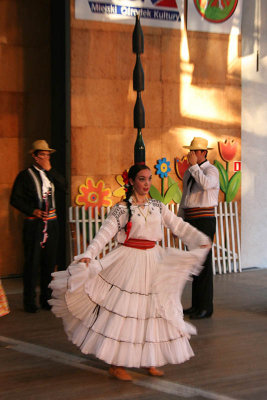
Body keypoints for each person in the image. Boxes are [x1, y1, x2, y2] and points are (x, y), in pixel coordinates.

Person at [49, 164, 210, 381]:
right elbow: (105, 233)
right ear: (132, 181)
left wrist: (200, 240)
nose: (147, 183)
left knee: (153, 310)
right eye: (142, 179)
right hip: (129, 260)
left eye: (149, 179)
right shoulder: (122, 209)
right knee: (125, 312)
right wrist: (89, 253)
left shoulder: (157, 206)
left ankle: (149, 360)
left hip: (154, 259)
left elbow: (178, 226)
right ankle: (117, 364)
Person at [10, 140, 66, 313]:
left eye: (47, 154)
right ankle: (29, 301)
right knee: (32, 262)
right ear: (34, 156)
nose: (45, 157)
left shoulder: (51, 174)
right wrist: (32, 210)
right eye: (42, 154)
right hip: (34, 225)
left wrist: (49, 169)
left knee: (49, 263)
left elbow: (64, 187)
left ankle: (46, 298)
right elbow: (15, 199)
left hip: (52, 223)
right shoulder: (25, 175)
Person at [178, 137, 219, 320]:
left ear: (204, 153)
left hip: (204, 219)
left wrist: (194, 167)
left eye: (195, 151)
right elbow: (185, 197)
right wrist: (180, 221)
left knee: (204, 262)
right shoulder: (189, 172)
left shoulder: (211, 170)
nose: (191, 155)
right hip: (191, 219)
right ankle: (196, 305)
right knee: (194, 263)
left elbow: (206, 184)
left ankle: (205, 307)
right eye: (191, 151)